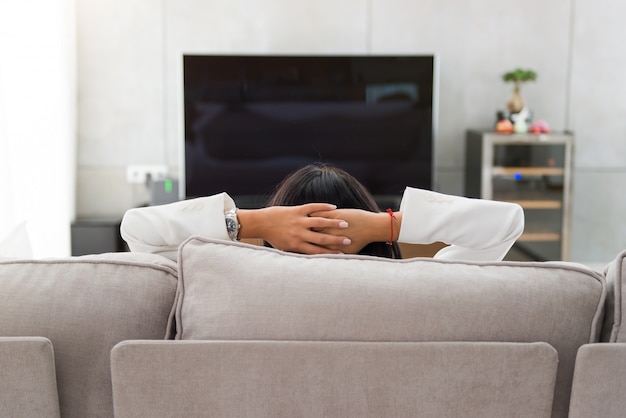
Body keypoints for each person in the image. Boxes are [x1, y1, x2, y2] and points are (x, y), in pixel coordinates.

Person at [120, 164, 524, 262]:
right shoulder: (421, 286)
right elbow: (505, 223)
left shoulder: (230, 286)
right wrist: (387, 225)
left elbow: (137, 229)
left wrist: (254, 222)